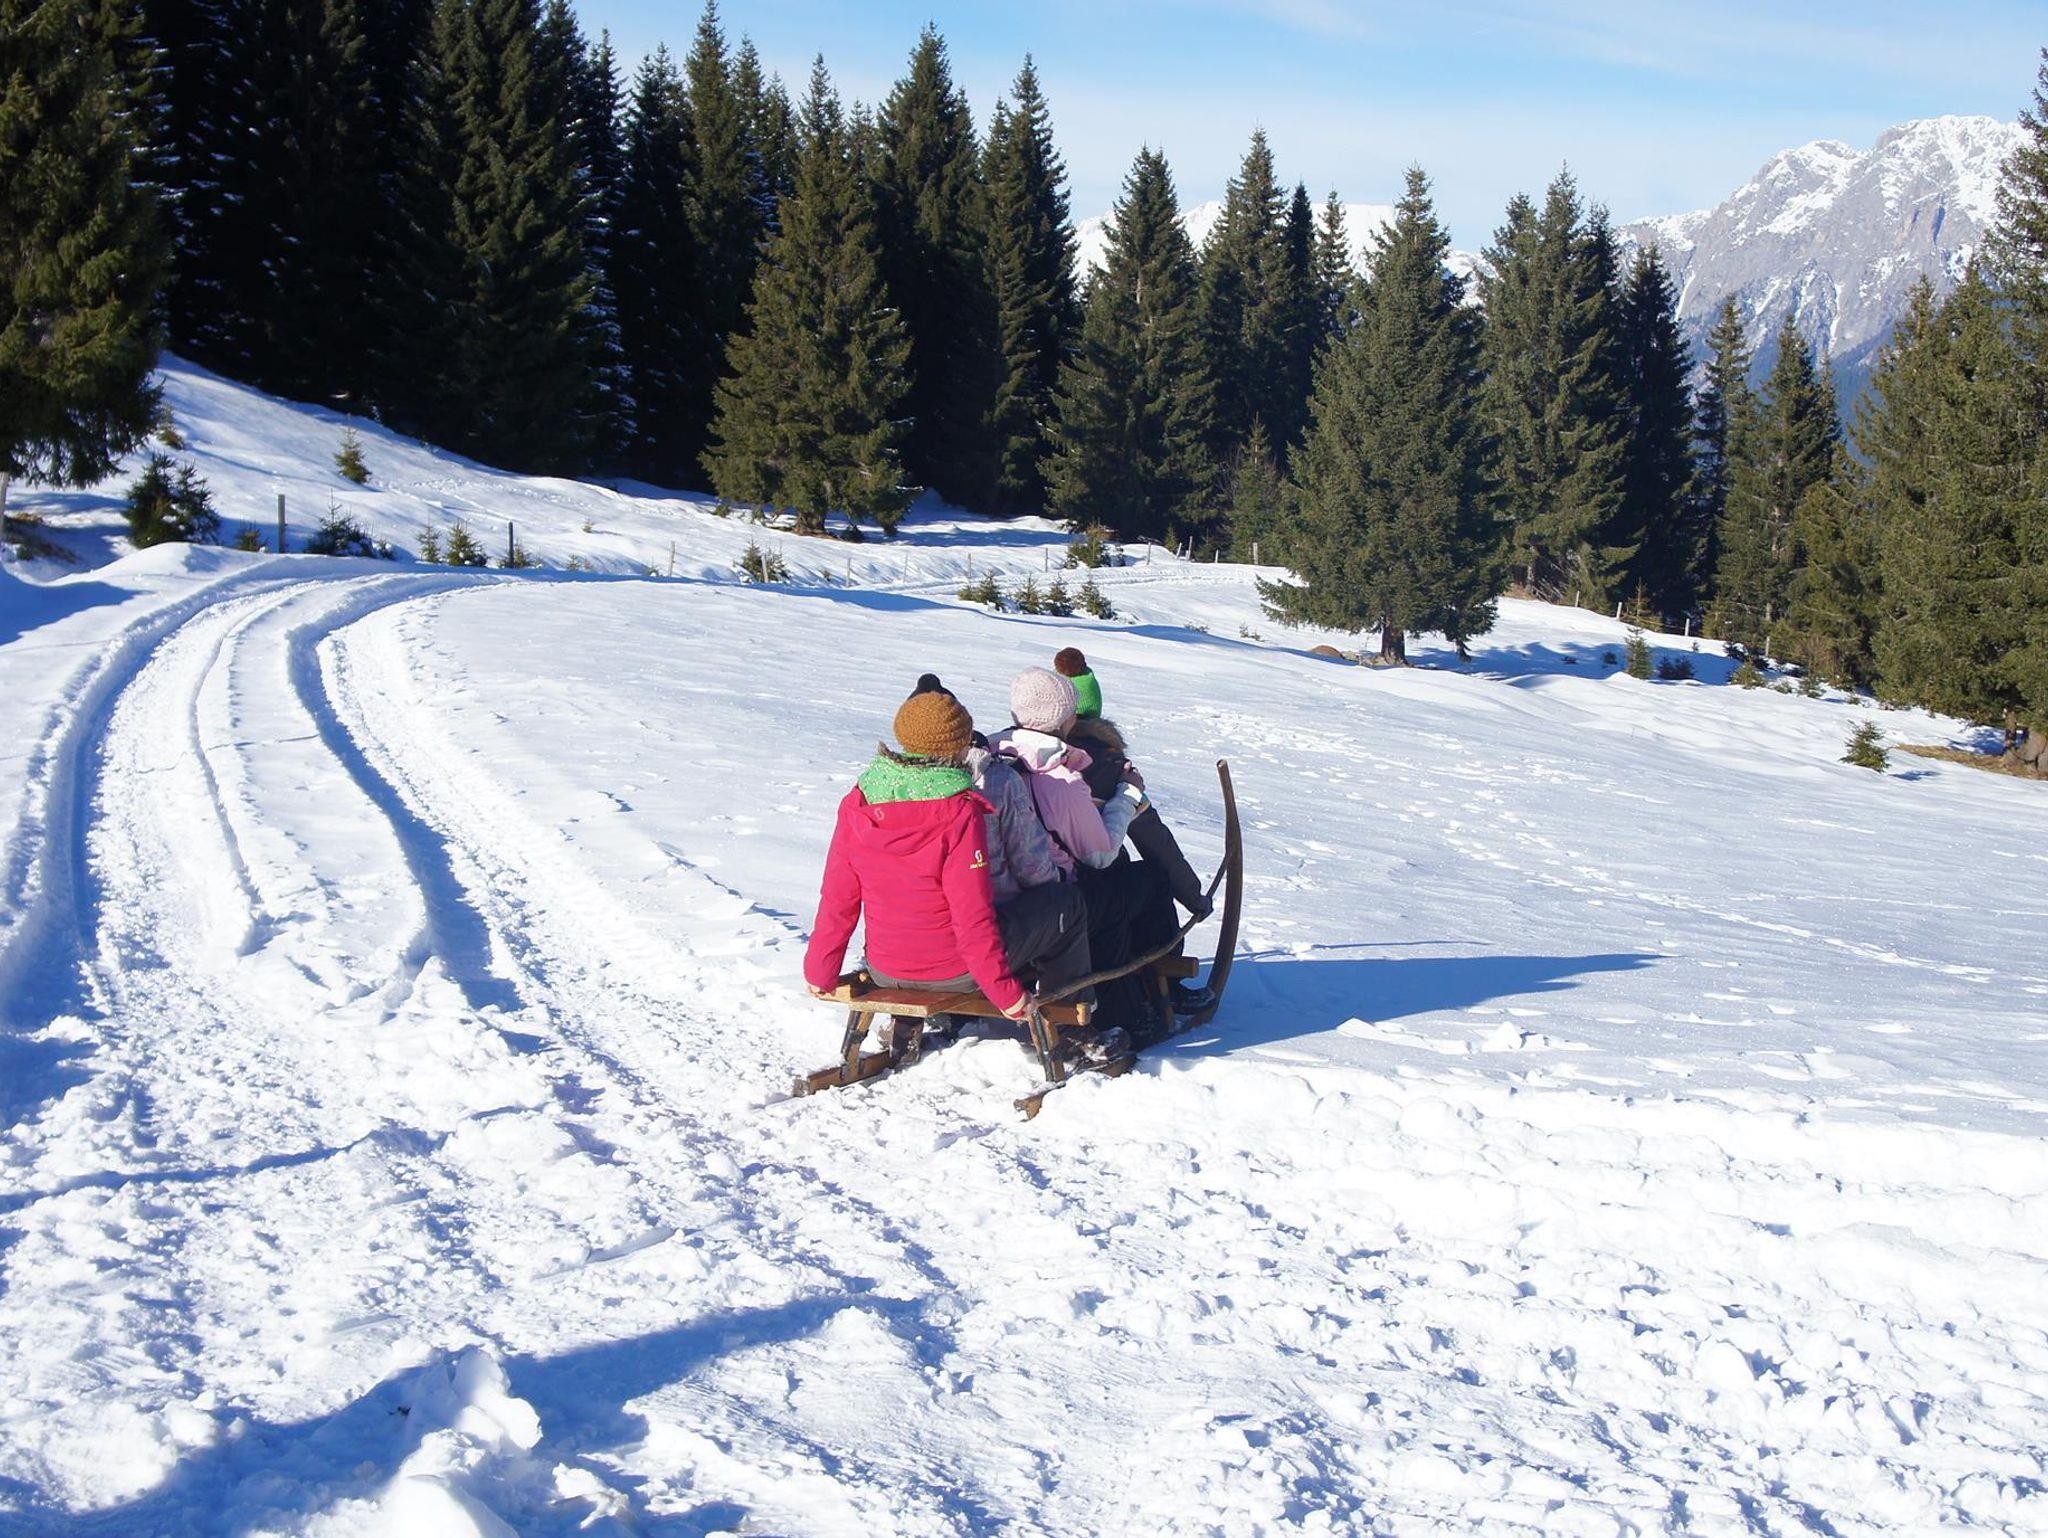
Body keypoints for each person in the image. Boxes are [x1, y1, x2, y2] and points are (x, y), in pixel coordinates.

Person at [803, 685, 1108, 1061]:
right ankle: (1071, 1032)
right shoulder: (959, 809)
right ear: (962, 744)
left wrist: (820, 971)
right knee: (1067, 903)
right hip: (957, 972)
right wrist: (1007, 996)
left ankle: (906, 1029)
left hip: (885, 968)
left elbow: (838, 898)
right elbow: (971, 914)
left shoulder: (859, 799)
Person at [990, 668, 1187, 1035]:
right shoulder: (1059, 780)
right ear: (1067, 717)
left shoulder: (992, 761)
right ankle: (1144, 998)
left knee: (1112, 891)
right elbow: (1100, 853)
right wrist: (1127, 795)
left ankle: (1134, 991)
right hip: (1055, 901)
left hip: (1004, 901)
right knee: (1143, 881)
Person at [1052, 647, 1210, 920]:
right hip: (1091, 890)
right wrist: (1194, 898)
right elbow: (1154, 840)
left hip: (1040, 891)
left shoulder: (1027, 755)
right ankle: (1161, 947)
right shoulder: (1110, 766)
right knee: (1152, 877)